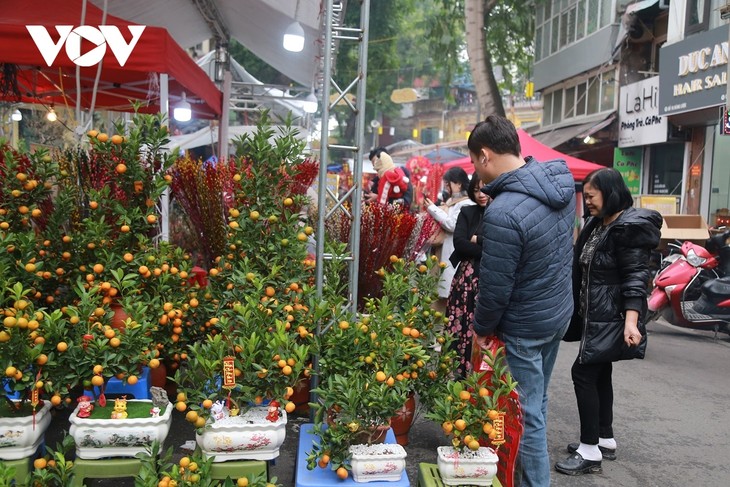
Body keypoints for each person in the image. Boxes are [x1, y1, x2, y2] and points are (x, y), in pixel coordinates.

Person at [469, 115, 575, 487]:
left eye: (474, 163)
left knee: (526, 414)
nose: (476, 174)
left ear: (484, 155)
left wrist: (481, 330)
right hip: (557, 314)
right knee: (538, 402)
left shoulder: (502, 212)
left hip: (526, 327)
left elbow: (495, 289)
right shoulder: (562, 183)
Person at [555, 168, 661, 476]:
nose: (586, 201)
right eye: (585, 196)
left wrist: (632, 321)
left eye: (591, 196)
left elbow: (636, 278)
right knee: (600, 374)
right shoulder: (599, 224)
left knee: (583, 373)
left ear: (610, 192)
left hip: (612, 318)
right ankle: (605, 439)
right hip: (595, 316)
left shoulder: (629, 229)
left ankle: (589, 451)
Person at [447, 175, 490, 378]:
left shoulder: (499, 213)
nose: (481, 195)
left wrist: (478, 239)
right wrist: (486, 245)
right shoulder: (467, 211)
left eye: (485, 189)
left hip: (488, 278)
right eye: (476, 190)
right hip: (465, 280)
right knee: (461, 326)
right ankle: (459, 373)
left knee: (482, 329)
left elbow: (502, 245)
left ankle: (481, 376)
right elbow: (460, 243)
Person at [424, 167, 474, 303]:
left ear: (458, 183)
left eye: (448, 184)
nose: (446, 188)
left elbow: (452, 225)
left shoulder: (466, 203)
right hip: (444, 247)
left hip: (452, 248)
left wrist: (433, 209)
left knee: (448, 291)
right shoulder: (453, 201)